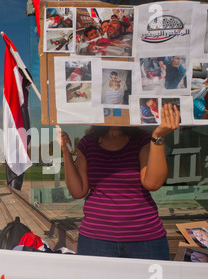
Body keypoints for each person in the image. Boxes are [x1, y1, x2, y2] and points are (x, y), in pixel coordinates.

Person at [56, 104, 180, 260]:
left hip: (145, 239)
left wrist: (158, 137)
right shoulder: (88, 143)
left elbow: (153, 184)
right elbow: (78, 191)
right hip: (96, 240)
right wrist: (65, 151)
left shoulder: (141, 139)